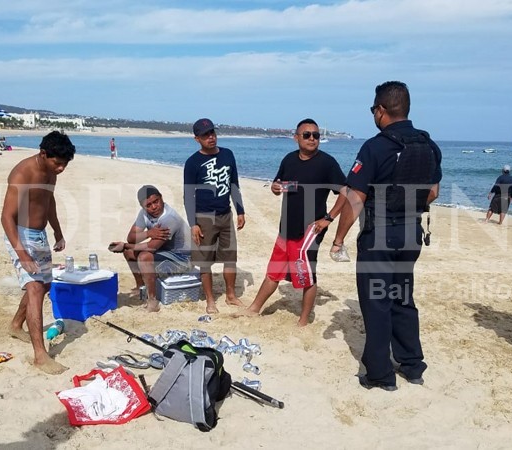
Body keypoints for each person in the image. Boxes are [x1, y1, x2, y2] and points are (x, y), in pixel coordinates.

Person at [330, 81, 442, 391]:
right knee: (403, 296)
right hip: (411, 232)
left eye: (373, 110)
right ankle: (412, 365)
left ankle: (380, 374)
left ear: (381, 110)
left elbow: (355, 199)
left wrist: (339, 240)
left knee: (377, 302)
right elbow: (433, 192)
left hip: (380, 233)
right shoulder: (428, 145)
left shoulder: (375, 147)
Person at [242, 118, 346, 326]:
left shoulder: (327, 162)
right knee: (274, 270)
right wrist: (274, 188)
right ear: (296, 138)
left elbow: (345, 192)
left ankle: (304, 320)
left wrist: (328, 218)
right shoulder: (289, 159)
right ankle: (254, 309)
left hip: (310, 229)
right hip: (286, 227)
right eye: (306, 135)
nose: (312, 139)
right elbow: (277, 184)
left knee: (307, 275)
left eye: (316, 135)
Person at [1, 131, 76, 374]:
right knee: (34, 287)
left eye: (65, 164)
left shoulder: (51, 173)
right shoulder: (23, 173)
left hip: (39, 234)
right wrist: (22, 254)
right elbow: (6, 217)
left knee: (43, 286)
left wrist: (58, 231)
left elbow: (48, 201)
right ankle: (40, 356)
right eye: (58, 163)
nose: (61, 169)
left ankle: (15, 325)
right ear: (43, 154)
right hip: (20, 234)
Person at [183, 118, 246, 314]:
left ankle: (230, 295)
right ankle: (210, 300)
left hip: (225, 214)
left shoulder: (228, 154)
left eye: (212, 133)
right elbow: (188, 196)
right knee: (204, 261)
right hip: (204, 217)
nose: (211, 137)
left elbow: (234, 184)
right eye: (205, 135)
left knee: (230, 257)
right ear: (197, 139)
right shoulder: (192, 162)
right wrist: (193, 223)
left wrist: (240, 210)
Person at [109, 185, 191, 312]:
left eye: (156, 201)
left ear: (161, 198)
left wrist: (124, 245)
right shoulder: (144, 214)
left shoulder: (170, 218)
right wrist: (148, 233)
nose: (154, 207)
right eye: (148, 205)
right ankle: (141, 287)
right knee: (129, 252)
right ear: (143, 206)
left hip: (183, 258)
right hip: (164, 251)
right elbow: (131, 237)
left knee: (144, 257)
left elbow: (152, 247)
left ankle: (153, 300)